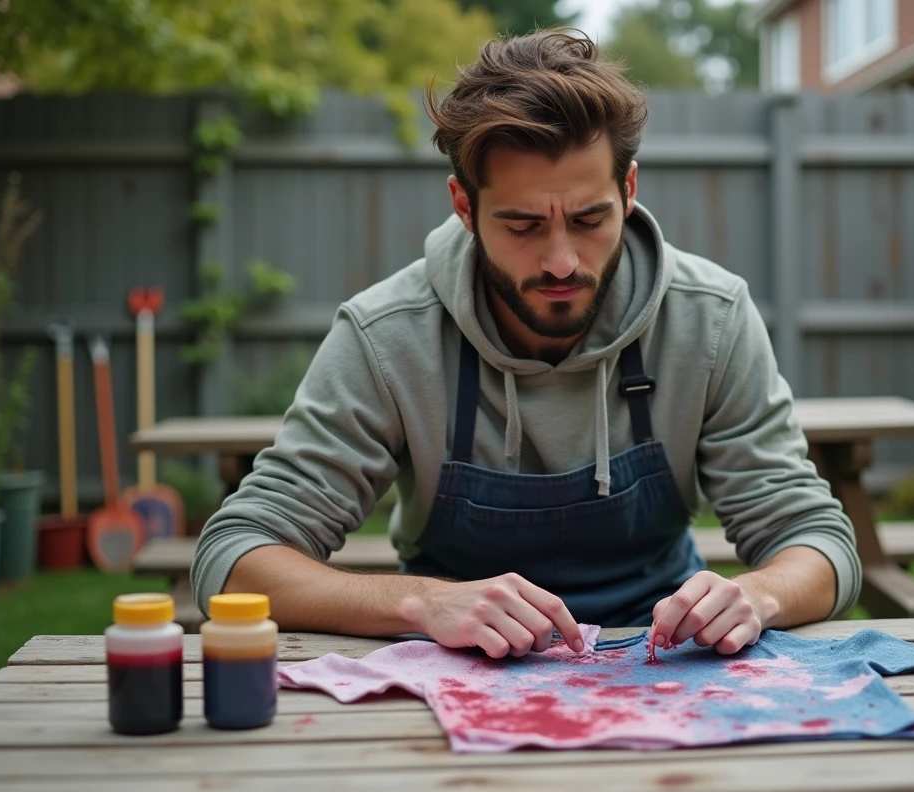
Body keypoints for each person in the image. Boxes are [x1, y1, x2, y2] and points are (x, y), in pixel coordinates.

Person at [192, 30, 860, 660]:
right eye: (522, 225)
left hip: (664, 664)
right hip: (458, 666)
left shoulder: (709, 319)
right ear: (464, 206)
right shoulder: (387, 336)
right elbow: (235, 555)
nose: (562, 261)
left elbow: (818, 543)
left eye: (589, 218)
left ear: (628, 190)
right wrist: (422, 602)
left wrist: (758, 595)